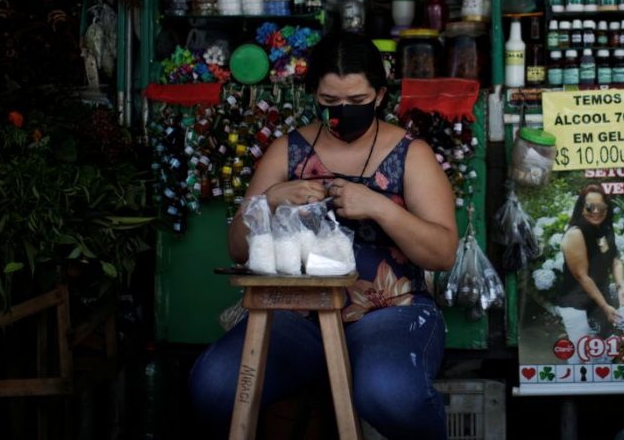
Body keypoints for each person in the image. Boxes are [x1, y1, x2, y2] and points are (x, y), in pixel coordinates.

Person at [188, 32, 459, 440]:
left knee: (390, 394)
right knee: (213, 386)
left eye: (357, 101)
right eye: (331, 103)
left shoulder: (410, 154)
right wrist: (272, 201)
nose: (344, 112)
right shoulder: (288, 151)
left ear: (380, 95)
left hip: (387, 312)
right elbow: (238, 247)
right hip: (295, 317)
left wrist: (380, 206)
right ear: (314, 94)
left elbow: (442, 254)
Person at [553, 185, 624, 359]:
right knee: (581, 359)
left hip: (600, 302)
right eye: (590, 207)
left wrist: (621, 287)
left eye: (601, 207)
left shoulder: (604, 230)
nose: (596, 212)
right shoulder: (575, 234)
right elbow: (582, 276)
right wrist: (605, 307)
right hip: (577, 305)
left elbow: (615, 260)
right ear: (581, 208)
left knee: (602, 357)